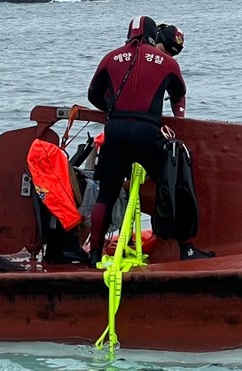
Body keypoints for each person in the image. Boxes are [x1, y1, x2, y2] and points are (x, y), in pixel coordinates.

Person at [86, 16, 213, 263]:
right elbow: (179, 95)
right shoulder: (167, 63)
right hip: (148, 132)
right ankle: (186, 249)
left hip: (116, 130)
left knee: (106, 195)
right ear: (154, 36)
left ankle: (93, 255)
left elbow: (93, 94)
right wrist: (180, 119)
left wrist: (112, 110)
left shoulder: (111, 57)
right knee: (174, 185)